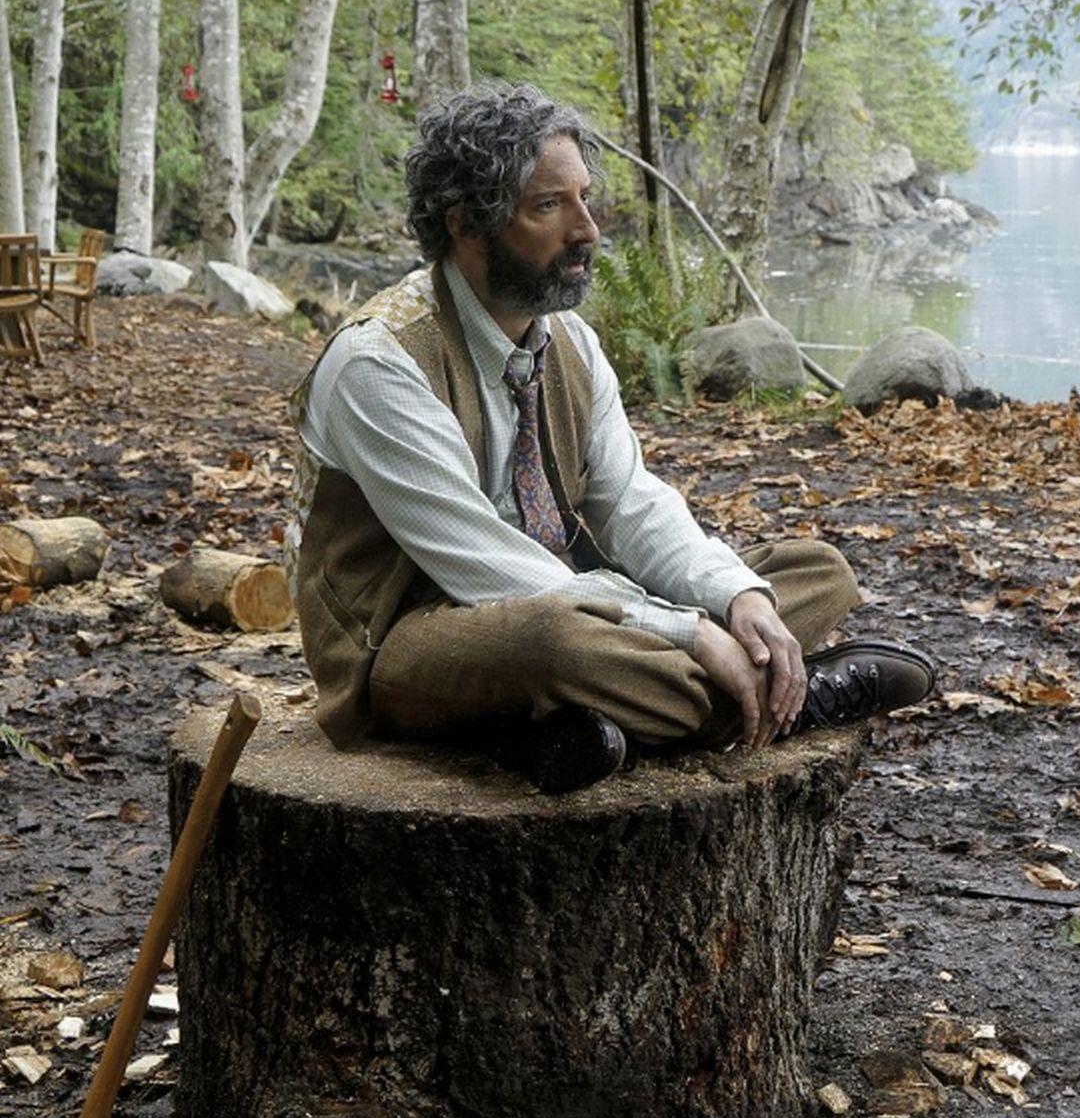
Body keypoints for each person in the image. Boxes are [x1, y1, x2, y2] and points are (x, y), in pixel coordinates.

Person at [287, 82, 934, 792]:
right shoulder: (379, 362)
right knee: (554, 641)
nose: (588, 229)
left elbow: (631, 502)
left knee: (815, 573)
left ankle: (598, 732)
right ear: (467, 224)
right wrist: (689, 632)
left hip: (579, 603)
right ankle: (788, 699)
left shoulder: (568, 340)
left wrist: (736, 598)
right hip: (413, 641)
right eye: (548, 207)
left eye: (585, 198)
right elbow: (489, 569)